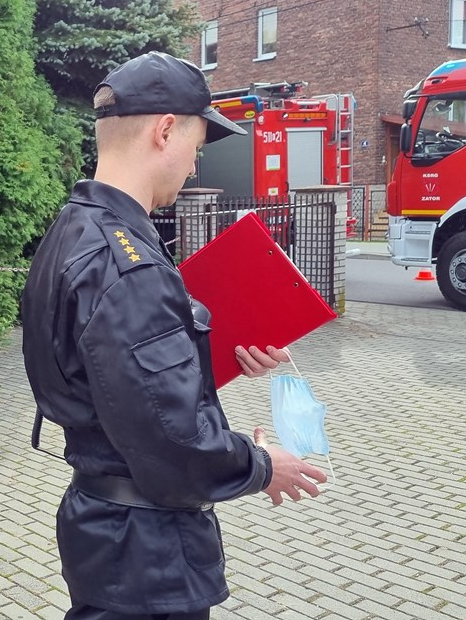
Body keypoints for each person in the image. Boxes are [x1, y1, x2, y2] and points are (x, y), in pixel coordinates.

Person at [21, 51, 329, 620]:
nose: (192, 169)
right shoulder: (128, 264)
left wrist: (217, 351)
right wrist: (262, 464)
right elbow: (173, 439)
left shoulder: (74, 228)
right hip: (146, 552)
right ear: (165, 131)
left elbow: (110, 373)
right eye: (196, 147)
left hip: (109, 534)